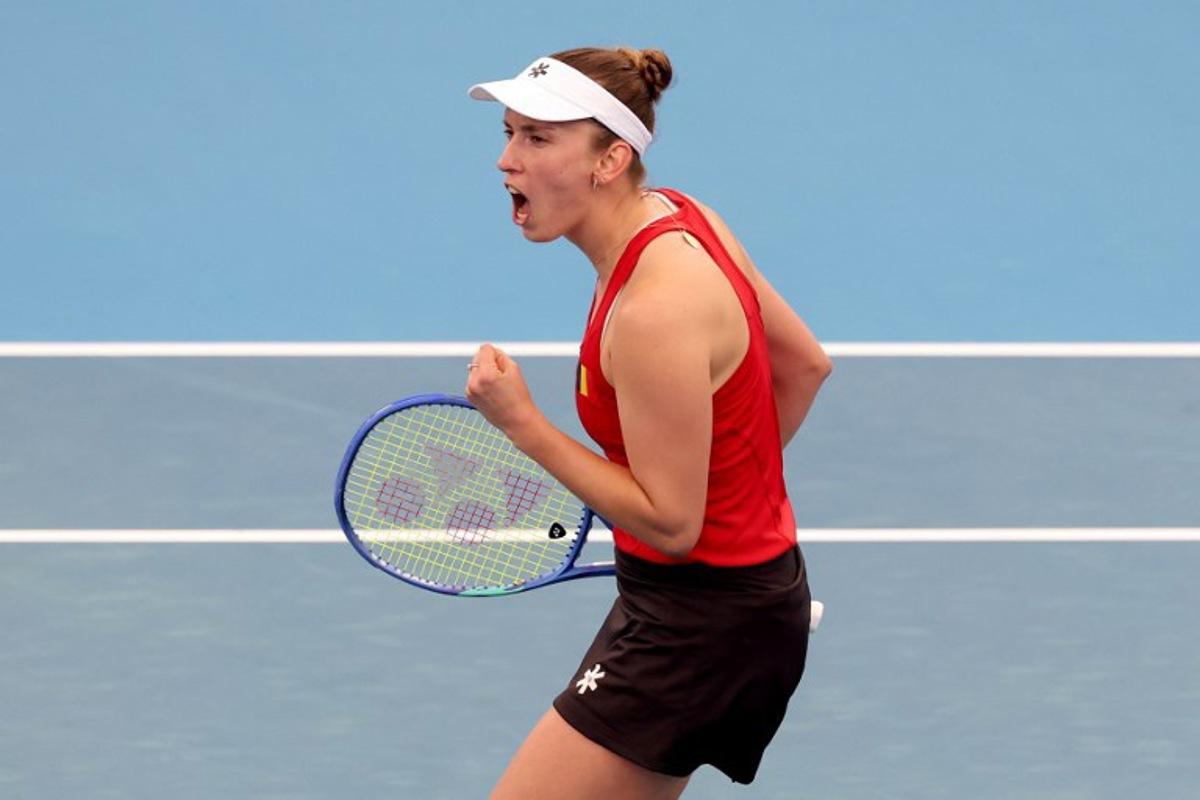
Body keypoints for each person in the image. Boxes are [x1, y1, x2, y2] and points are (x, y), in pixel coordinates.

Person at [463, 46, 832, 800]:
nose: (506, 161)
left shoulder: (653, 311)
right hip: (717, 602)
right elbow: (804, 367)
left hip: (700, 628)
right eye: (509, 133)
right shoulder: (681, 216)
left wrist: (523, 424)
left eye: (537, 139)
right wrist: (730, 509)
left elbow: (671, 525)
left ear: (611, 159)